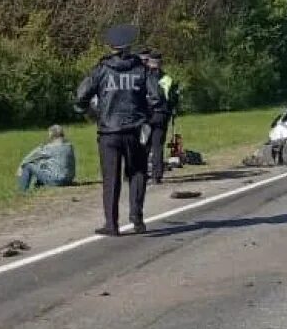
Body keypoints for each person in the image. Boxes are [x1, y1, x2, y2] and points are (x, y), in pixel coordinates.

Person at [74, 24, 162, 236]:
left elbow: (81, 96)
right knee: (138, 172)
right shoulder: (142, 69)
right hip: (136, 130)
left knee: (111, 178)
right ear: (129, 46)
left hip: (108, 132)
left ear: (111, 46)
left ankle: (111, 224)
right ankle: (137, 220)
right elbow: (156, 97)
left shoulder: (101, 70)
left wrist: (91, 113)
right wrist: (146, 117)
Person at [143, 52, 175, 183]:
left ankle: (142, 173)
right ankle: (157, 175)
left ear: (150, 63)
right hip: (162, 114)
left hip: (147, 114)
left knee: (144, 145)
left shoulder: (143, 77)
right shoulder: (167, 78)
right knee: (158, 145)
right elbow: (172, 98)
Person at [16, 124, 76, 192]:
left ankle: (22, 191)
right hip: (69, 180)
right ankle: (38, 187)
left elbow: (30, 157)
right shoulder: (69, 146)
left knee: (28, 166)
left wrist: (21, 166)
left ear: (51, 134)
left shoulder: (48, 148)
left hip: (57, 181)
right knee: (43, 163)